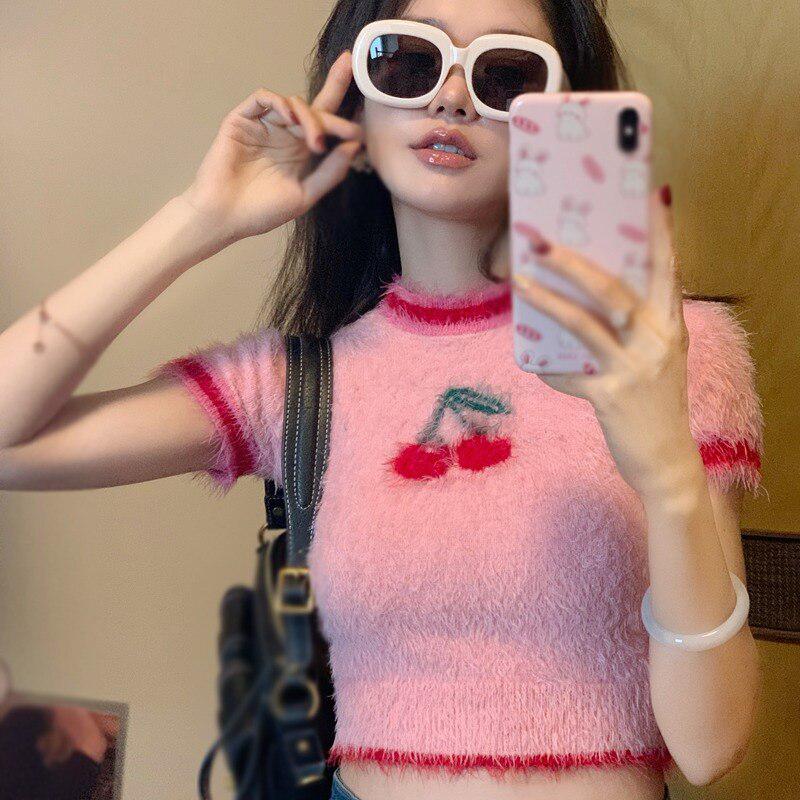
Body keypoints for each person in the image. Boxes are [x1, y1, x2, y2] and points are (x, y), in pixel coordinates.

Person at [0, 1, 766, 799]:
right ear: (357, 101)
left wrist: (667, 472)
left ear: (567, 118)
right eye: (409, 61)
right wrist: (200, 218)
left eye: (507, 75)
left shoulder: (672, 352)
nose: (453, 97)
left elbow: (709, 746)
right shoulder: (298, 384)